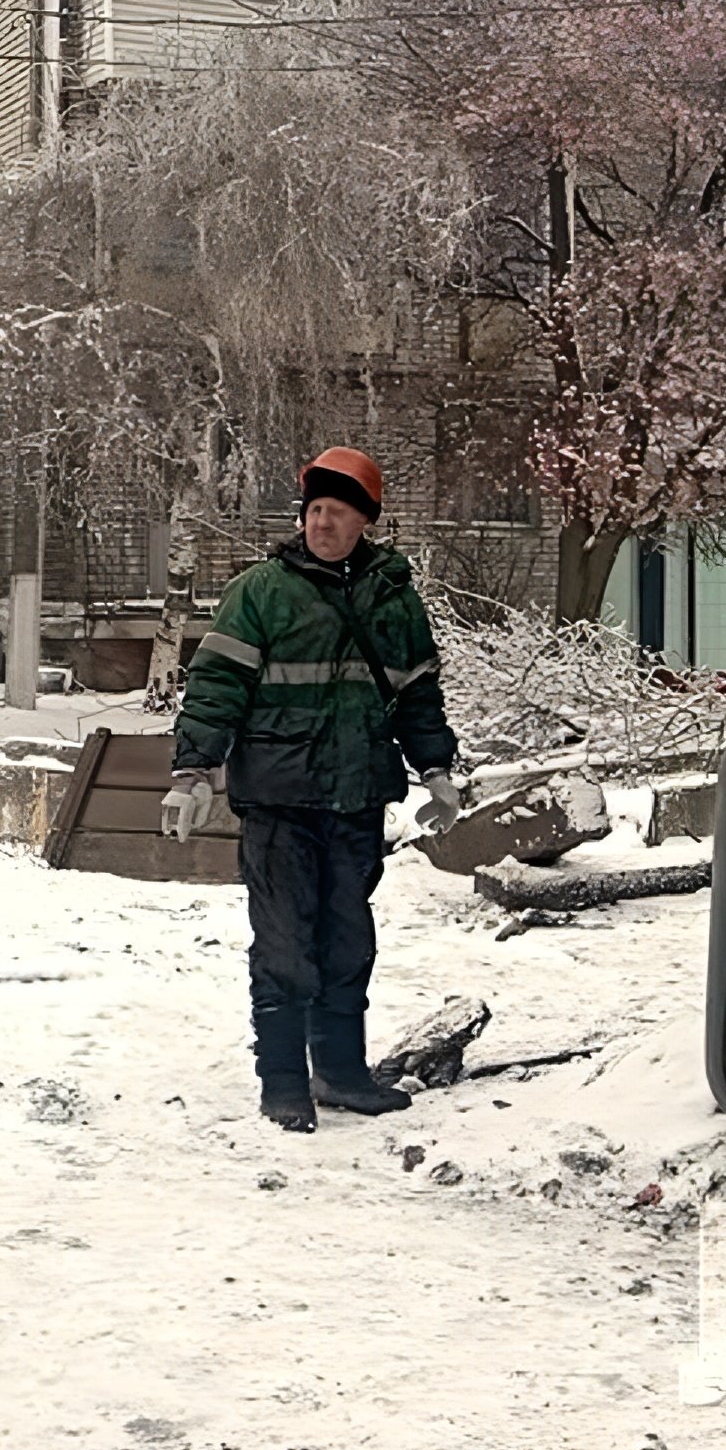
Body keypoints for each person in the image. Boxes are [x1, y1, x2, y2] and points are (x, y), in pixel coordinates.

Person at [161, 447, 461, 1133]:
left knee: (347, 940)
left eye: (338, 512)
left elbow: (418, 696)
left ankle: (341, 1074)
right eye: (315, 510)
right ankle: (284, 1083)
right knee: (285, 945)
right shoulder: (261, 591)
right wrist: (192, 773)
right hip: (279, 799)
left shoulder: (394, 600)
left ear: (365, 522)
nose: (323, 523)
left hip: (356, 799)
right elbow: (214, 689)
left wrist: (438, 770)